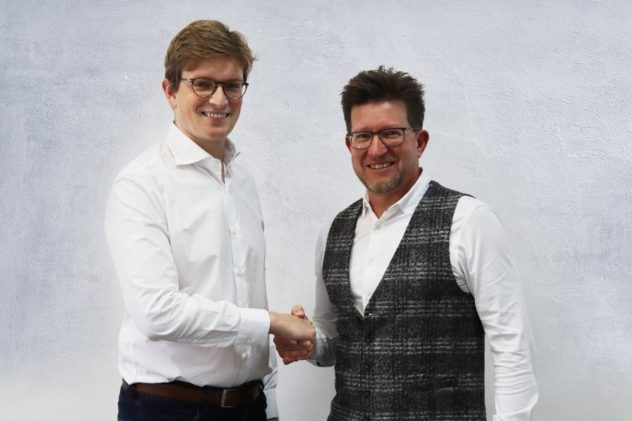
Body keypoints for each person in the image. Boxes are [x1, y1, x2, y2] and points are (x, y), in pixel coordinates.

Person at [275, 66, 538, 420]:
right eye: (363, 136)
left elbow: (512, 346)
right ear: (350, 144)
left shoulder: (469, 221)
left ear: (420, 141)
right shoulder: (333, 231)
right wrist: (308, 343)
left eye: (391, 133)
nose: (376, 149)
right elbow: (334, 341)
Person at [105, 20, 313, 421]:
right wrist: (273, 323)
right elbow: (156, 312)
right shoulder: (141, 183)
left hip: (250, 406)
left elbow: (251, 297)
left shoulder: (243, 182)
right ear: (170, 91)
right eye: (203, 84)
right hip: (168, 409)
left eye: (232, 85)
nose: (219, 99)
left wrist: (269, 403)